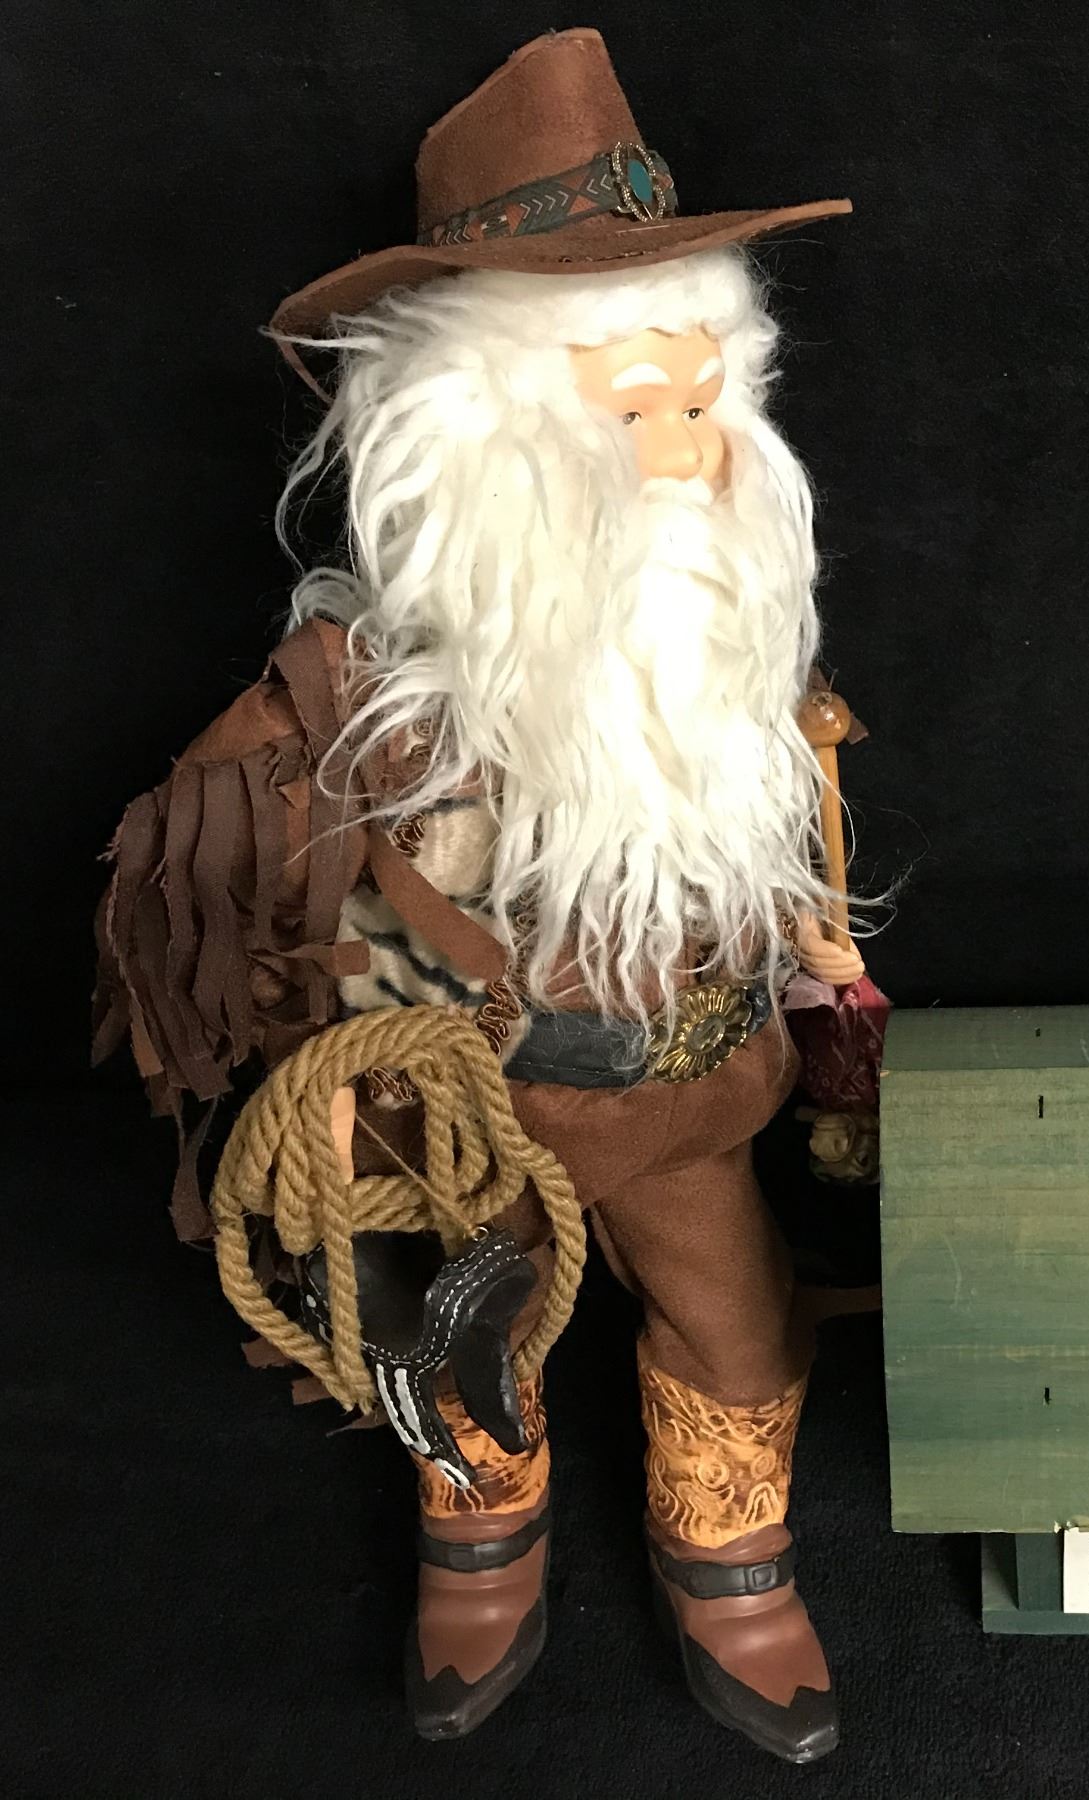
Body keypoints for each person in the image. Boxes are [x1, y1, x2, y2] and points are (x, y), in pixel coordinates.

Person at [94, 27, 866, 1761]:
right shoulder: (352, 712)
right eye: (632, 410)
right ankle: (480, 1529)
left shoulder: (728, 673)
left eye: (703, 403)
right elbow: (231, 896)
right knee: (454, 1329)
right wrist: (308, 1039)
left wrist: (820, 953)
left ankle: (731, 1557)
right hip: (463, 1120)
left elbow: (799, 816)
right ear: (482, 444)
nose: (683, 453)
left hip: (689, 1097)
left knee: (733, 1316)